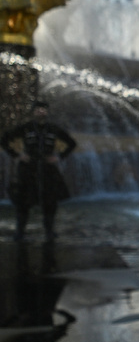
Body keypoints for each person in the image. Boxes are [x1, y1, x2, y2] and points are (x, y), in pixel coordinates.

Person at [2, 100, 76, 242]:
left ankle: (49, 231)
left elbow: (72, 143)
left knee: (50, 201)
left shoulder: (53, 128)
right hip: (28, 168)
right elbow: (4, 140)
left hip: (48, 168)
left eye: (43, 109)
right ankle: (20, 231)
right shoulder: (25, 128)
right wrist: (17, 155)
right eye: (38, 109)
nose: (41, 112)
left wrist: (59, 157)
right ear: (33, 112)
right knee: (23, 201)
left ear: (47, 112)